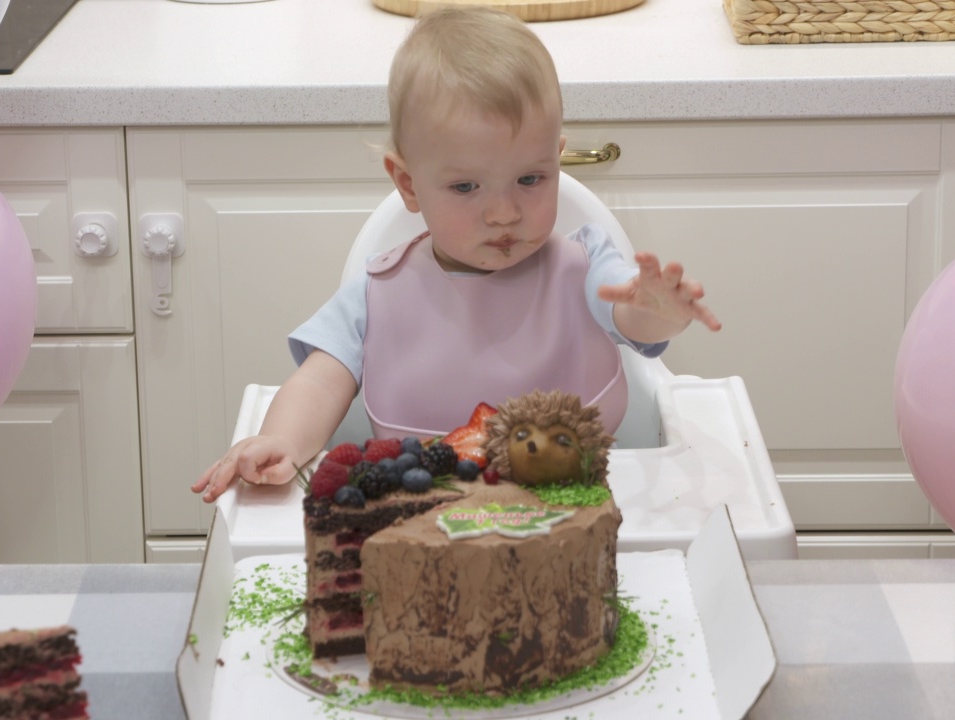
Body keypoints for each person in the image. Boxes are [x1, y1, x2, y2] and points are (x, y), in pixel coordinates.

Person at [193, 6, 720, 504]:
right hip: (424, 511)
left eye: (530, 179)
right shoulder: (379, 293)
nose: (504, 213)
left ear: (557, 163)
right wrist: (283, 441)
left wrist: (659, 312)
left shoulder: (586, 263)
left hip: (578, 500)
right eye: (466, 187)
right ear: (408, 183)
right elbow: (319, 381)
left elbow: (629, 314)